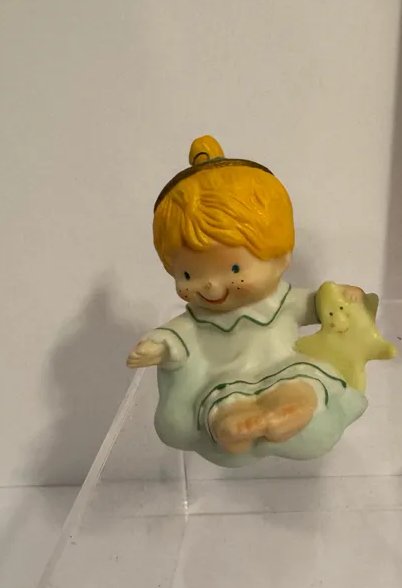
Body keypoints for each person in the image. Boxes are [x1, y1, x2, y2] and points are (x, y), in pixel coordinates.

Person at [127, 136, 367, 464]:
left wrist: (342, 298)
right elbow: (176, 335)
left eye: (235, 269)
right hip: (225, 380)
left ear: (281, 258)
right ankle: (231, 426)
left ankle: (291, 408)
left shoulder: (282, 302)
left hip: (284, 366)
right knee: (225, 401)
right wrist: (158, 347)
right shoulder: (198, 320)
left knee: (302, 378)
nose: (210, 286)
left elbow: (320, 305)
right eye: (187, 275)